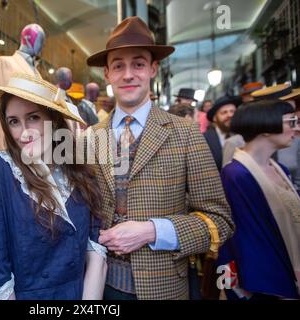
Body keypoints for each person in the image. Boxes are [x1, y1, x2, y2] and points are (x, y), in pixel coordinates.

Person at [86, 16, 234, 300]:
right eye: (118, 65)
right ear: (107, 74)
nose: (128, 74)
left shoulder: (186, 133)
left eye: (138, 64)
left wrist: (153, 231)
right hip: (99, 286)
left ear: (153, 68)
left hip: (163, 287)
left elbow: (220, 221)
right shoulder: (90, 137)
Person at [0, 73, 107, 300]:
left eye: (33, 118)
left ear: (54, 120)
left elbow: (96, 255)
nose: (23, 133)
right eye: (14, 121)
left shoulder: (79, 173)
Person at [219, 99, 300, 300]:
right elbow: (245, 238)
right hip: (267, 280)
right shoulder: (236, 174)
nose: (296, 129)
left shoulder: (278, 169)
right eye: (291, 121)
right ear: (266, 125)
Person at [0, 24, 45, 150]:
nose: (42, 46)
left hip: (37, 144)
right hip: (16, 144)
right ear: (28, 38)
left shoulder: (38, 73)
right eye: (40, 40)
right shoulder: (5, 62)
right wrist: (6, 147)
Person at [204, 95, 242, 170]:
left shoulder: (244, 135)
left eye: (233, 111)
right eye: (224, 112)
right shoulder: (205, 139)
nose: (230, 115)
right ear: (215, 118)